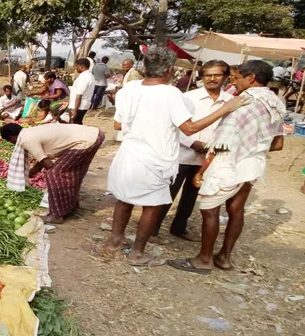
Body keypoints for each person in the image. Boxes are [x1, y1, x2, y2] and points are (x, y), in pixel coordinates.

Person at [103, 46, 246, 266]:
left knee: (124, 199)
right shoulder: (171, 94)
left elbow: (118, 124)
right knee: (151, 206)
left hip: (129, 154)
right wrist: (225, 109)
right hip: (155, 158)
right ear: (170, 70)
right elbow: (188, 129)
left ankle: (114, 241)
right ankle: (137, 253)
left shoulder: (128, 88)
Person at [169, 60, 285, 274]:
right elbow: (278, 144)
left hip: (228, 164)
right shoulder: (275, 102)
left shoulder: (243, 102)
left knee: (209, 208)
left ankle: (204, 259)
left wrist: (202, 171)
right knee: (236, 209)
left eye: (236, 78)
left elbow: (222, 143)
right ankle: (224, 257)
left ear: (251, 78)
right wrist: (253, 147)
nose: (234, 83)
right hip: (253, 164)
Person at [152, 60, 234, 242]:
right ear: (202, 77)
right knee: (169, 192)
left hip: (209, 159)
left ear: (226, 77)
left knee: (192, 195)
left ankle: (179, 227)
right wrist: (193, 143)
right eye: (208, 75)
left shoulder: (230, 102)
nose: (212, 79)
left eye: (217, 75)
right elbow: (174, 125)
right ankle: (153, 229)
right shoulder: (189, 97)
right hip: (183, 153)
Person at [1, 123, 104, 224]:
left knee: (53, 174)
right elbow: (40, 162)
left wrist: (28, 175)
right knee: (74, 172)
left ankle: (56, 215)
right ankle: (71, 206)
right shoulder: (30, 132)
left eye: (9, 141)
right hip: (95, 134)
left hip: (85, 141)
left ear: (12, 138)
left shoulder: (26, 140)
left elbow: (47, 164)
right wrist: (29, 174)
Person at [69, 58, 95, 124]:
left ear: (81, 66)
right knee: (77, 123)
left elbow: (79, 95)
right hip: (82, 105)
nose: (76, 68)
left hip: (79, 106)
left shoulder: (84, 77)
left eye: (76, 66)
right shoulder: (89, 75)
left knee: (74, 124)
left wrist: (75, 110)